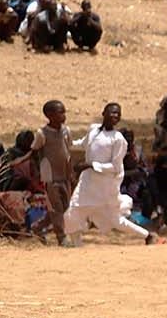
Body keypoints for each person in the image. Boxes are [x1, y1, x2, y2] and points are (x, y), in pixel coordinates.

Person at [67, 103, 157, 245]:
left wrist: (90, 165)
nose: (114, 116)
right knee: (73, 211)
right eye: (112, 112)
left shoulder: (118, 139)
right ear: (103, 113)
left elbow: (115, 167)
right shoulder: (93, 130)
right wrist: (66, 142)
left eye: (117, 114)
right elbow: (83, 143)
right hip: (88, 182)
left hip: (105, 185)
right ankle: (76, 245)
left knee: (114, 220)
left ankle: (147, 235)